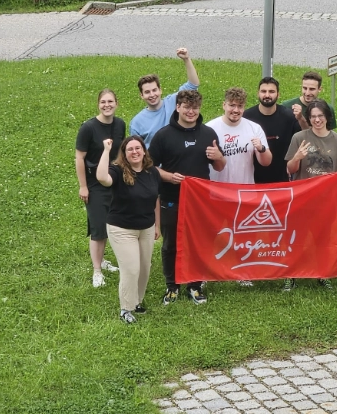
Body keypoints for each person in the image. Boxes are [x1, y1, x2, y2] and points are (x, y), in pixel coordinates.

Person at [148, 90, 225, 305]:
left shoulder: (208, 133)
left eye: (195, 108)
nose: (191, 112)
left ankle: (195, 285)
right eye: (187, 107)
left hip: (200, 202)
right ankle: (172, 286)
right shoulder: (163, 135)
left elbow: (219, 166)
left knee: (198, 243)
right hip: (171, 199)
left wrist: (219, 156)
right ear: (178, 107)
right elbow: (149, 167)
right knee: (170, 245)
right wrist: (169, 177)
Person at [284, 99, 337, 291]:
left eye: (320, 116)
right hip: (302, 199)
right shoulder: (299, 138)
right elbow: (290, 169)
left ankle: (322, 273)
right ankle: (291, 275)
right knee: (296, 237)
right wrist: (297, 157)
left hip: (326, 200)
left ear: (327, 117)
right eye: (313, 116)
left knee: (322, 238)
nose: (317, 120)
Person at [207, 87, 272, 287]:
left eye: (240, 106)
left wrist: (261, 148)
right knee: (213, 232)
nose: (235, 110)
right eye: (232, 105)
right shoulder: (210, 128)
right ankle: (208, 272)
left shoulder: (253, 128)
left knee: (244, 234)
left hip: (245, 191)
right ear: (224, 105)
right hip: (216, 191)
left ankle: (243, 272)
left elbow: (266, 162)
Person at [96, 136, 160, 323]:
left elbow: (156, 198)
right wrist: (106, 150)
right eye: (130, 149)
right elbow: (102, 178)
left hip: (146, 228)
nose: (134, 152)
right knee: (131, 269)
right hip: (122, 228)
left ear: (144, 151)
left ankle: (137, 301)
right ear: (124, 154)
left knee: (144, 268)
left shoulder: (152, 172)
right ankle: (126, 308)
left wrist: (157, 224)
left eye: (138, 148)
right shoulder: (118, 171)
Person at [75, 89, 125, 288]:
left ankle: (102, 260)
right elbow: (79, 158)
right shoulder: (88, 128)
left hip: (113, 181)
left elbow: (119, 153)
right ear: (98, 104)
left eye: (110, 101)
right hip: (94, 184)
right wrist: (83, 186)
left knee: (110, 224)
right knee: (98, 227)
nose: (107, 105)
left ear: (116, 103)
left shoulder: (120, 124)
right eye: (103, 102)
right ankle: (97, 270)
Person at [129, 47, 200, 147]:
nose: (152, 95)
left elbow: (193, 85)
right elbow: (137, 149)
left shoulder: (174, 101)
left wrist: (186, 59)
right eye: (147, 92)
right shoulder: (137, 122)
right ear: (142, 95)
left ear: (160, 90)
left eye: (154, 90)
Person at [243, 77, 302, 183]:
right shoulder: (246, 117)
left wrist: (301, 118)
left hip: (282, 180)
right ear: (258, 93)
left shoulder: (289, 117)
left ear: (278, 94)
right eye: (263, 91)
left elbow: (302, 140)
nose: (267, 95)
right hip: (253, 181)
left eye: (271, 91)